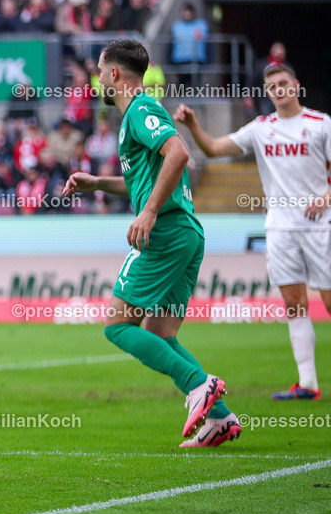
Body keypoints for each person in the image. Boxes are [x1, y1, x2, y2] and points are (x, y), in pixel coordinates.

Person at [64, 39, 240, 448]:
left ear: (113, 74)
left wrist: (150, 212)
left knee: (117, 326)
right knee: (160, 332)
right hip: (186, 234)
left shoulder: (140, 109)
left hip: (165, 232)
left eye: (99, 72)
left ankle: (199, 384)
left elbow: (179, 154)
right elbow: (144, 180)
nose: (97, 81)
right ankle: (220, 419)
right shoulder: (136, 116)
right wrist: (98, 184)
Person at [174, 63, 331, 401]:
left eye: (283, 83)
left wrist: (326, 197)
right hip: (280, 228)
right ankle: (307, 384)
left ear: (296, 85)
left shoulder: (321, 125)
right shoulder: (261, 129)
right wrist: (193, 126)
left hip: (321, 225)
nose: (278, 89)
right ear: (267, 91)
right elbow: (215, 149)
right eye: (272, 85)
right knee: (294, 304)